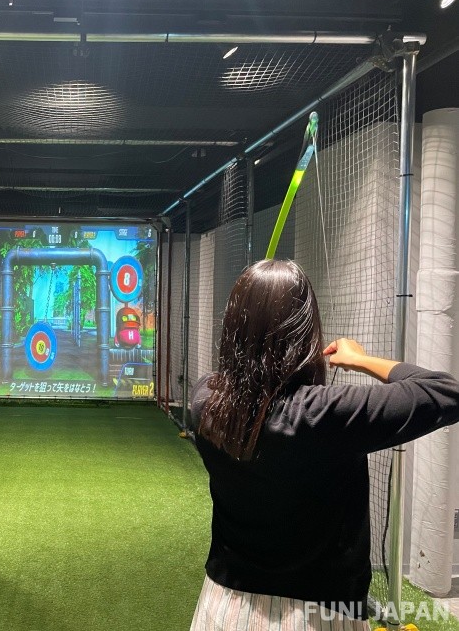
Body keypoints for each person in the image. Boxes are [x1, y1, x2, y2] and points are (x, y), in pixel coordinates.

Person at [188, 259, 459, 630]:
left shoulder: (206, 398)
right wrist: (362, 361)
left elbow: (251, 392)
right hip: (317, 614)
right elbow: (445, 391)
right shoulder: (325, 412)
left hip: (225, 605)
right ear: (305, 332)